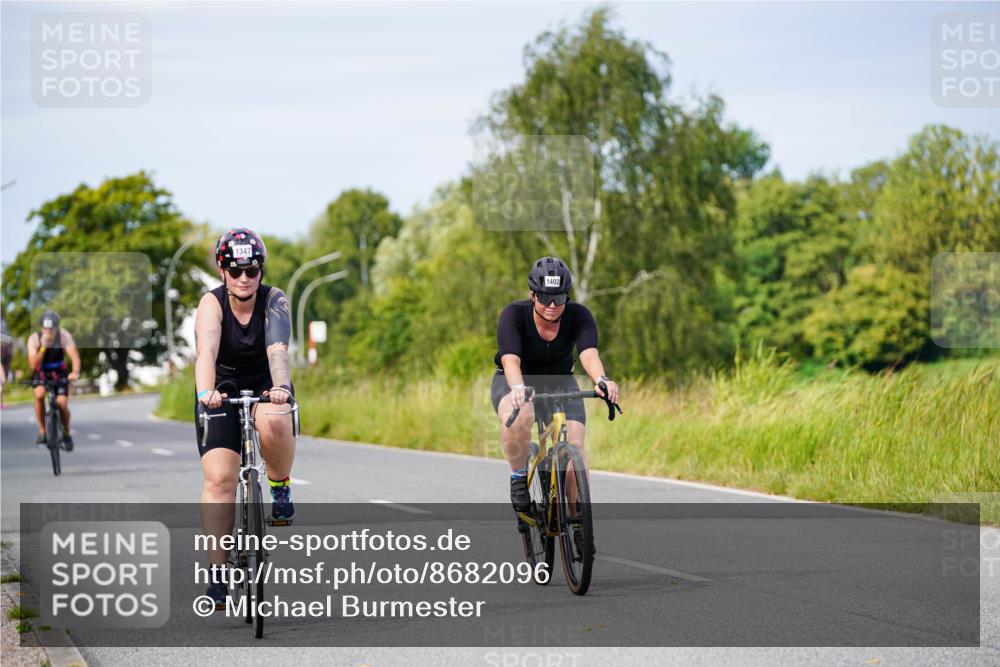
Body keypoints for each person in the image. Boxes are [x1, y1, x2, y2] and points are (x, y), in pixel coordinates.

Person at [193, 228, 295, 607]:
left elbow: (278, 348)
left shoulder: (275, 300)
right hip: (221, 387)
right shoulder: (212, 304)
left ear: (260, 270)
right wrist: (207, 394)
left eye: (251, 270)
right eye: (235, 271)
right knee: (219, 479)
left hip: (268, 382)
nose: (244, 278)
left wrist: (280, 386)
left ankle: (280, 486)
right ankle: (218, 574)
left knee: (274, 420)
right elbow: (206, 351)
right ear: (222, 272)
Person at [492, 256, 620, 512]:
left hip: (561, 382)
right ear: (532, 294)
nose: (552, 305)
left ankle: (577, 522)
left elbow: (589, 353)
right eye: (545, 298)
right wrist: (518, 388)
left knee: (577, 447)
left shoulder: (579, 315)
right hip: (517, 381)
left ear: (567, 297)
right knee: (521, 414)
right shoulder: (513, 315)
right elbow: (511, 361)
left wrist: (601, 380)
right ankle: (518, 476)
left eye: (559, 298)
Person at [26, 311, 80, 449]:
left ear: (57, 327)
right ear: (41, 328)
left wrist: (75, 372)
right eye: (45, 328)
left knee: (61, 403)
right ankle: (43, 431)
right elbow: (33, 365)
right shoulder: (34, 339)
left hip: (59, 372)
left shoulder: (64, 336)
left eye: (52, 328)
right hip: (41, 371)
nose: (49, 331)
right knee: (39, 395)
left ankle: (66, 433)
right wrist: (43, 348)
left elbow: (74, 357)